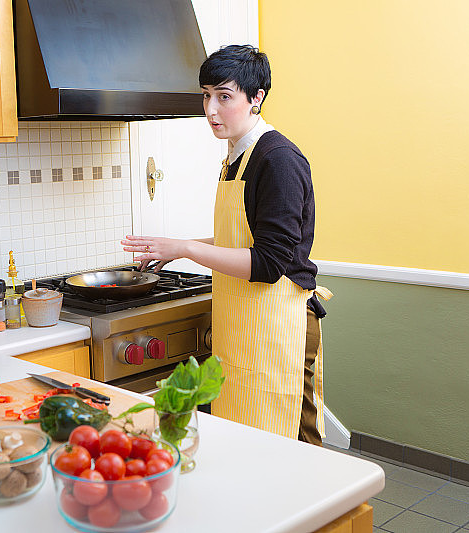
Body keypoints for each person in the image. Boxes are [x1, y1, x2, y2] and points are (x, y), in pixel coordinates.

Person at [121, 44, 331, 446]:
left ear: (257, 98)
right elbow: (243, 238)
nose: (211, 110)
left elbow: (270, 263)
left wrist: (184, 247)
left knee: (294, 447)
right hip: (245, 325)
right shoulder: (237, 156)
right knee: (248, 440)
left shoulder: (278, 159)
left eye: (224, 96)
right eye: (206, 95)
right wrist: (171, 248)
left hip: (279, 325)